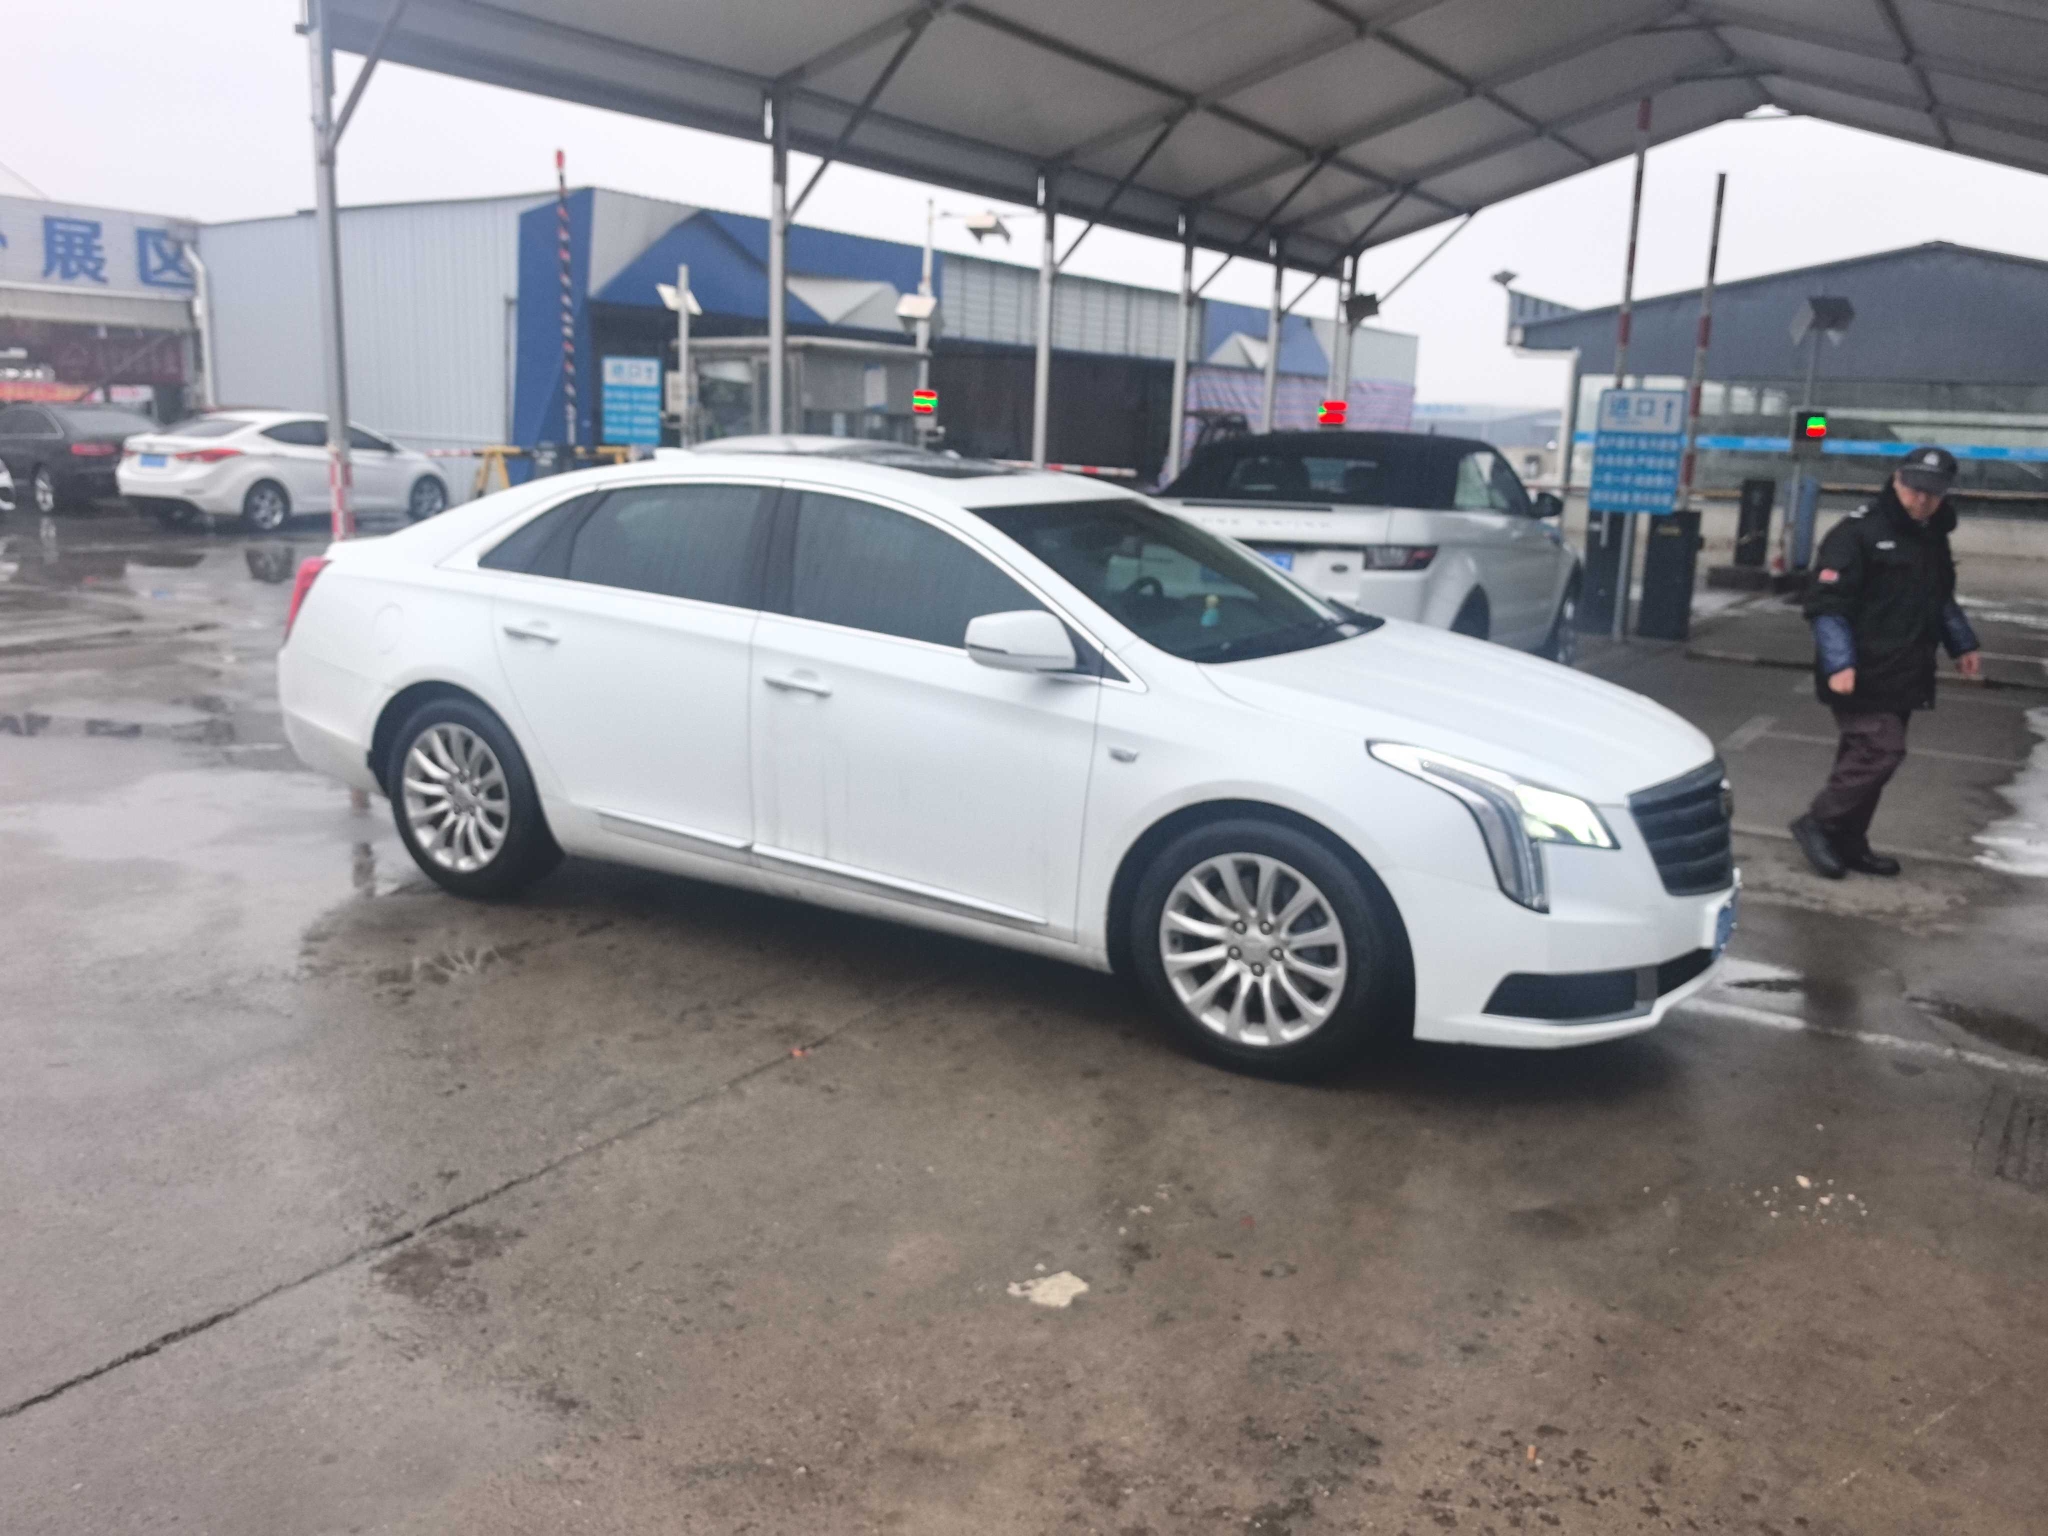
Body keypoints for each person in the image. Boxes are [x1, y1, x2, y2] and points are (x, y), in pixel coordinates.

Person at [1789, 447, 1982, 879]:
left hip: (1907, 667)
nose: (1921, 500)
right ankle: (1818, 822)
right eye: (1914, 489)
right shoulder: (1857, 532)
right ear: (1896, 480)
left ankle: (1849, 841)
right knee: (1882, 750)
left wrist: (1962, 644)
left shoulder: (1932, 536)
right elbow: (1827, 605)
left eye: (1932, 493)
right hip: (1859, 668)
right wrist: (1839, 663)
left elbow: (1940, 599)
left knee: (1861, 758)